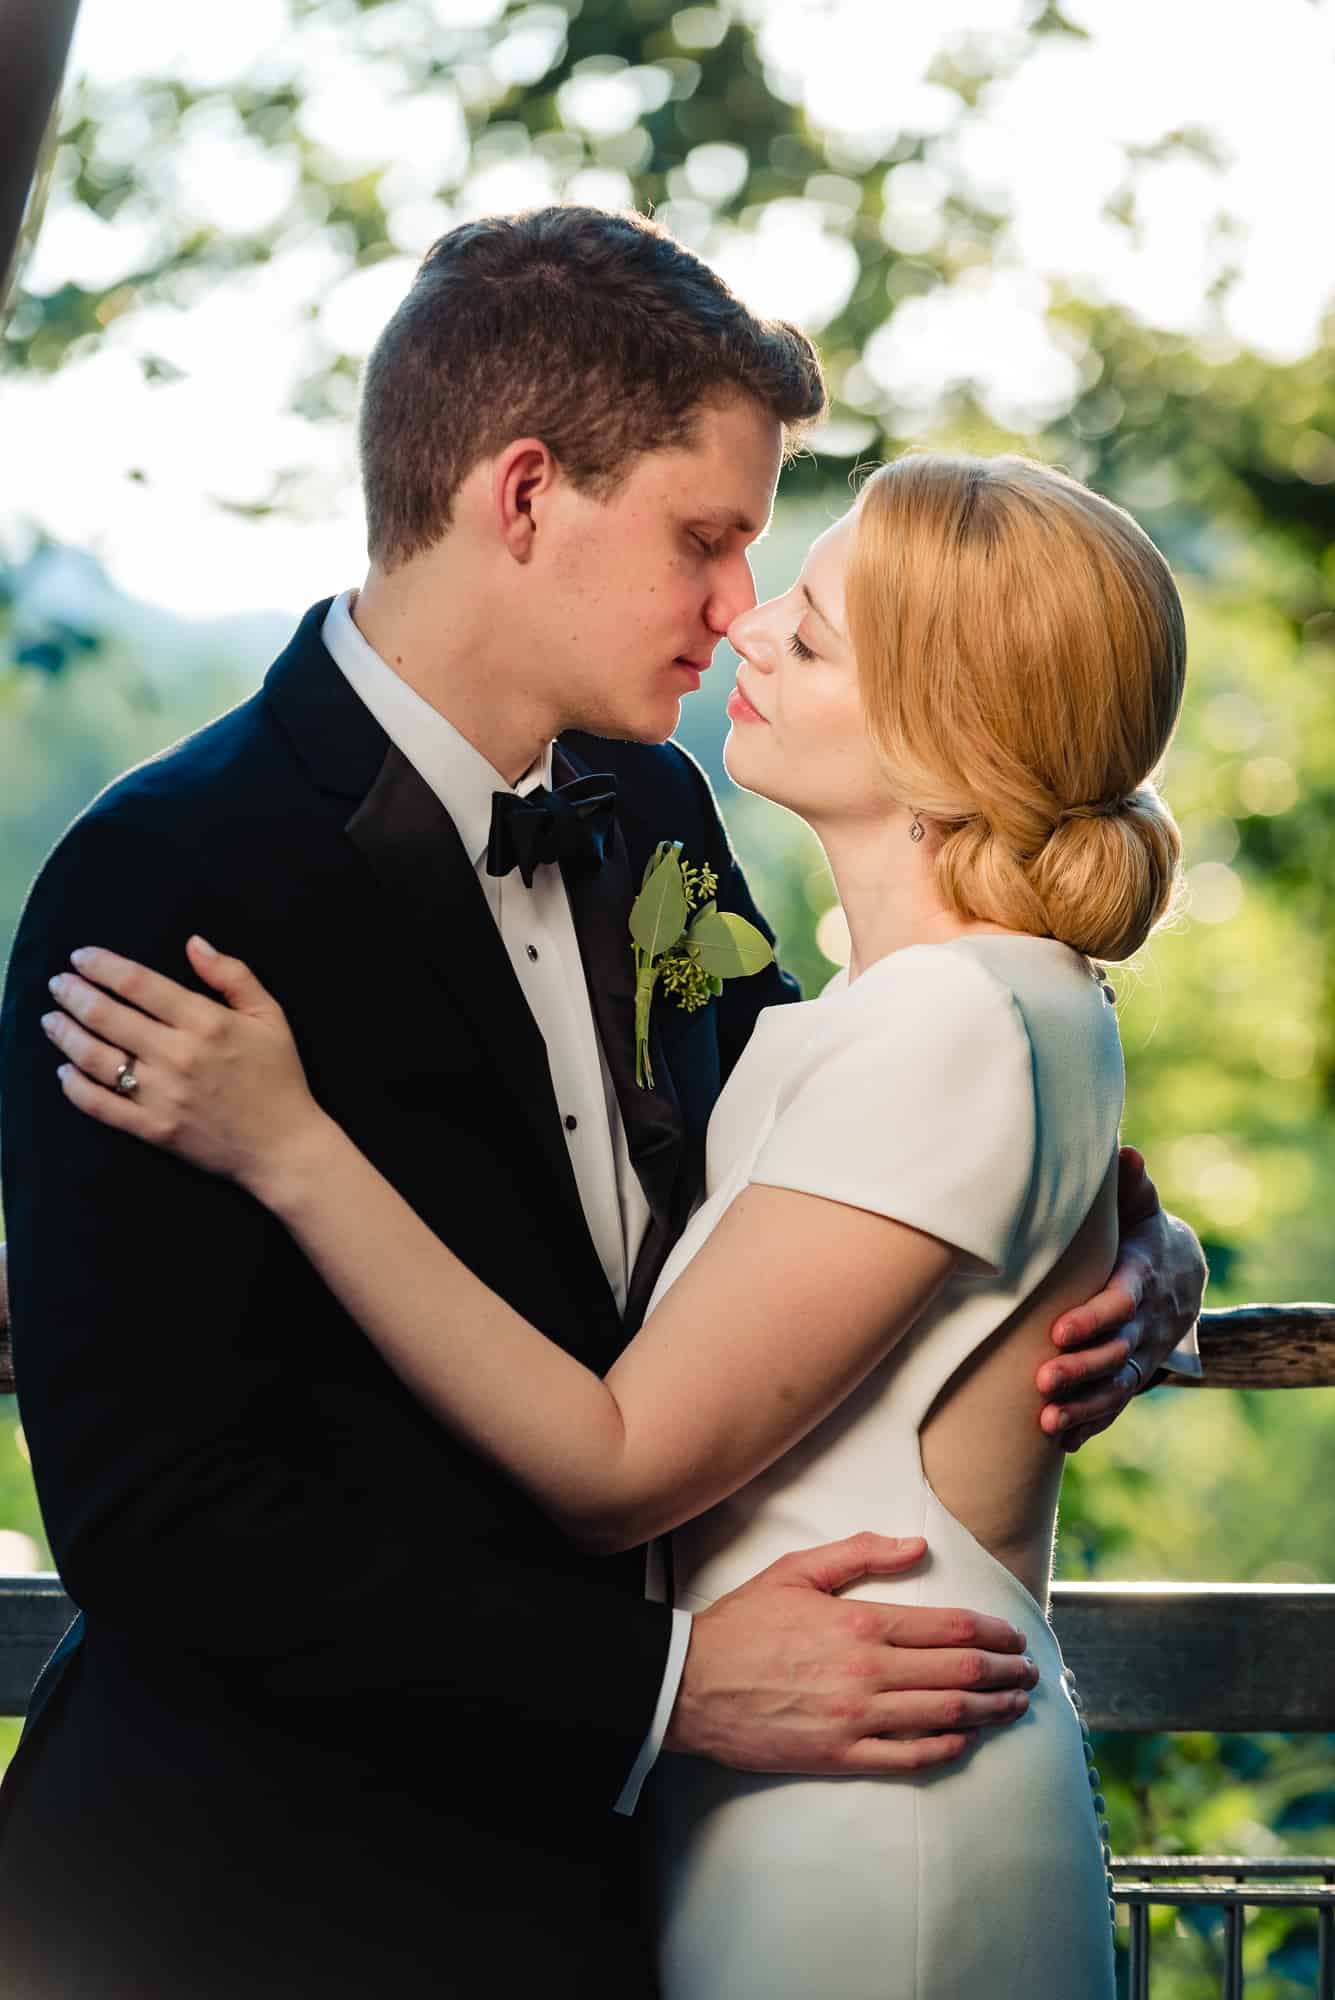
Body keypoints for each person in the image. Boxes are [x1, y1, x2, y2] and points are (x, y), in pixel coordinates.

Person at [0, 208, 1203, 1998]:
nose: (742, 610)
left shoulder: (655, 813)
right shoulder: (167, 878)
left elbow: (851, 1144)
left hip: (648, 1886)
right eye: (708, 540)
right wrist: (668, 1691)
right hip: (264, 1905)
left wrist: (1125, 1247)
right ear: (527, 494)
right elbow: (161, 1520)